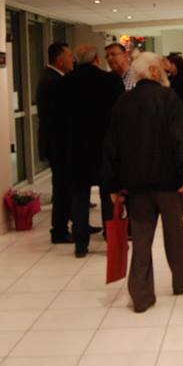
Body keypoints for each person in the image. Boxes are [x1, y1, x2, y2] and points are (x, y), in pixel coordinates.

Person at [103, 53, 183, 313]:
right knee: (175, 234)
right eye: (162, 69)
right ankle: (182, 279)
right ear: (153, 72)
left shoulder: (123, 102)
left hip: (135, 184)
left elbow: (112, 146)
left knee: (142, 238)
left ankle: (141, 294)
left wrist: (114, 185)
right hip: (169, 182)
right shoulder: (169, 99)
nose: (166, 73)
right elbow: (181, 140)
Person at [60, 44, 123, 257]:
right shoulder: (111, 81)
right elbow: (119, 116)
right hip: (105, 147)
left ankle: (80, 244)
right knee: (108, 195)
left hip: (77, 147)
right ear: (97, 59)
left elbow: (60, 118)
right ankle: (111, 239)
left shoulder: (65, 82)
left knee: (79, 197)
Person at [37, 42, 74, 244]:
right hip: (59, 144)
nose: (72, 59)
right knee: (62, 188)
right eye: (69, 56)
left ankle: (73, 222)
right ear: (59, 59)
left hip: (57, 143)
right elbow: (59, 117)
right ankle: (59, 230)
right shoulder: (54, 82)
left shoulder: (52, 78)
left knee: (64, 186)